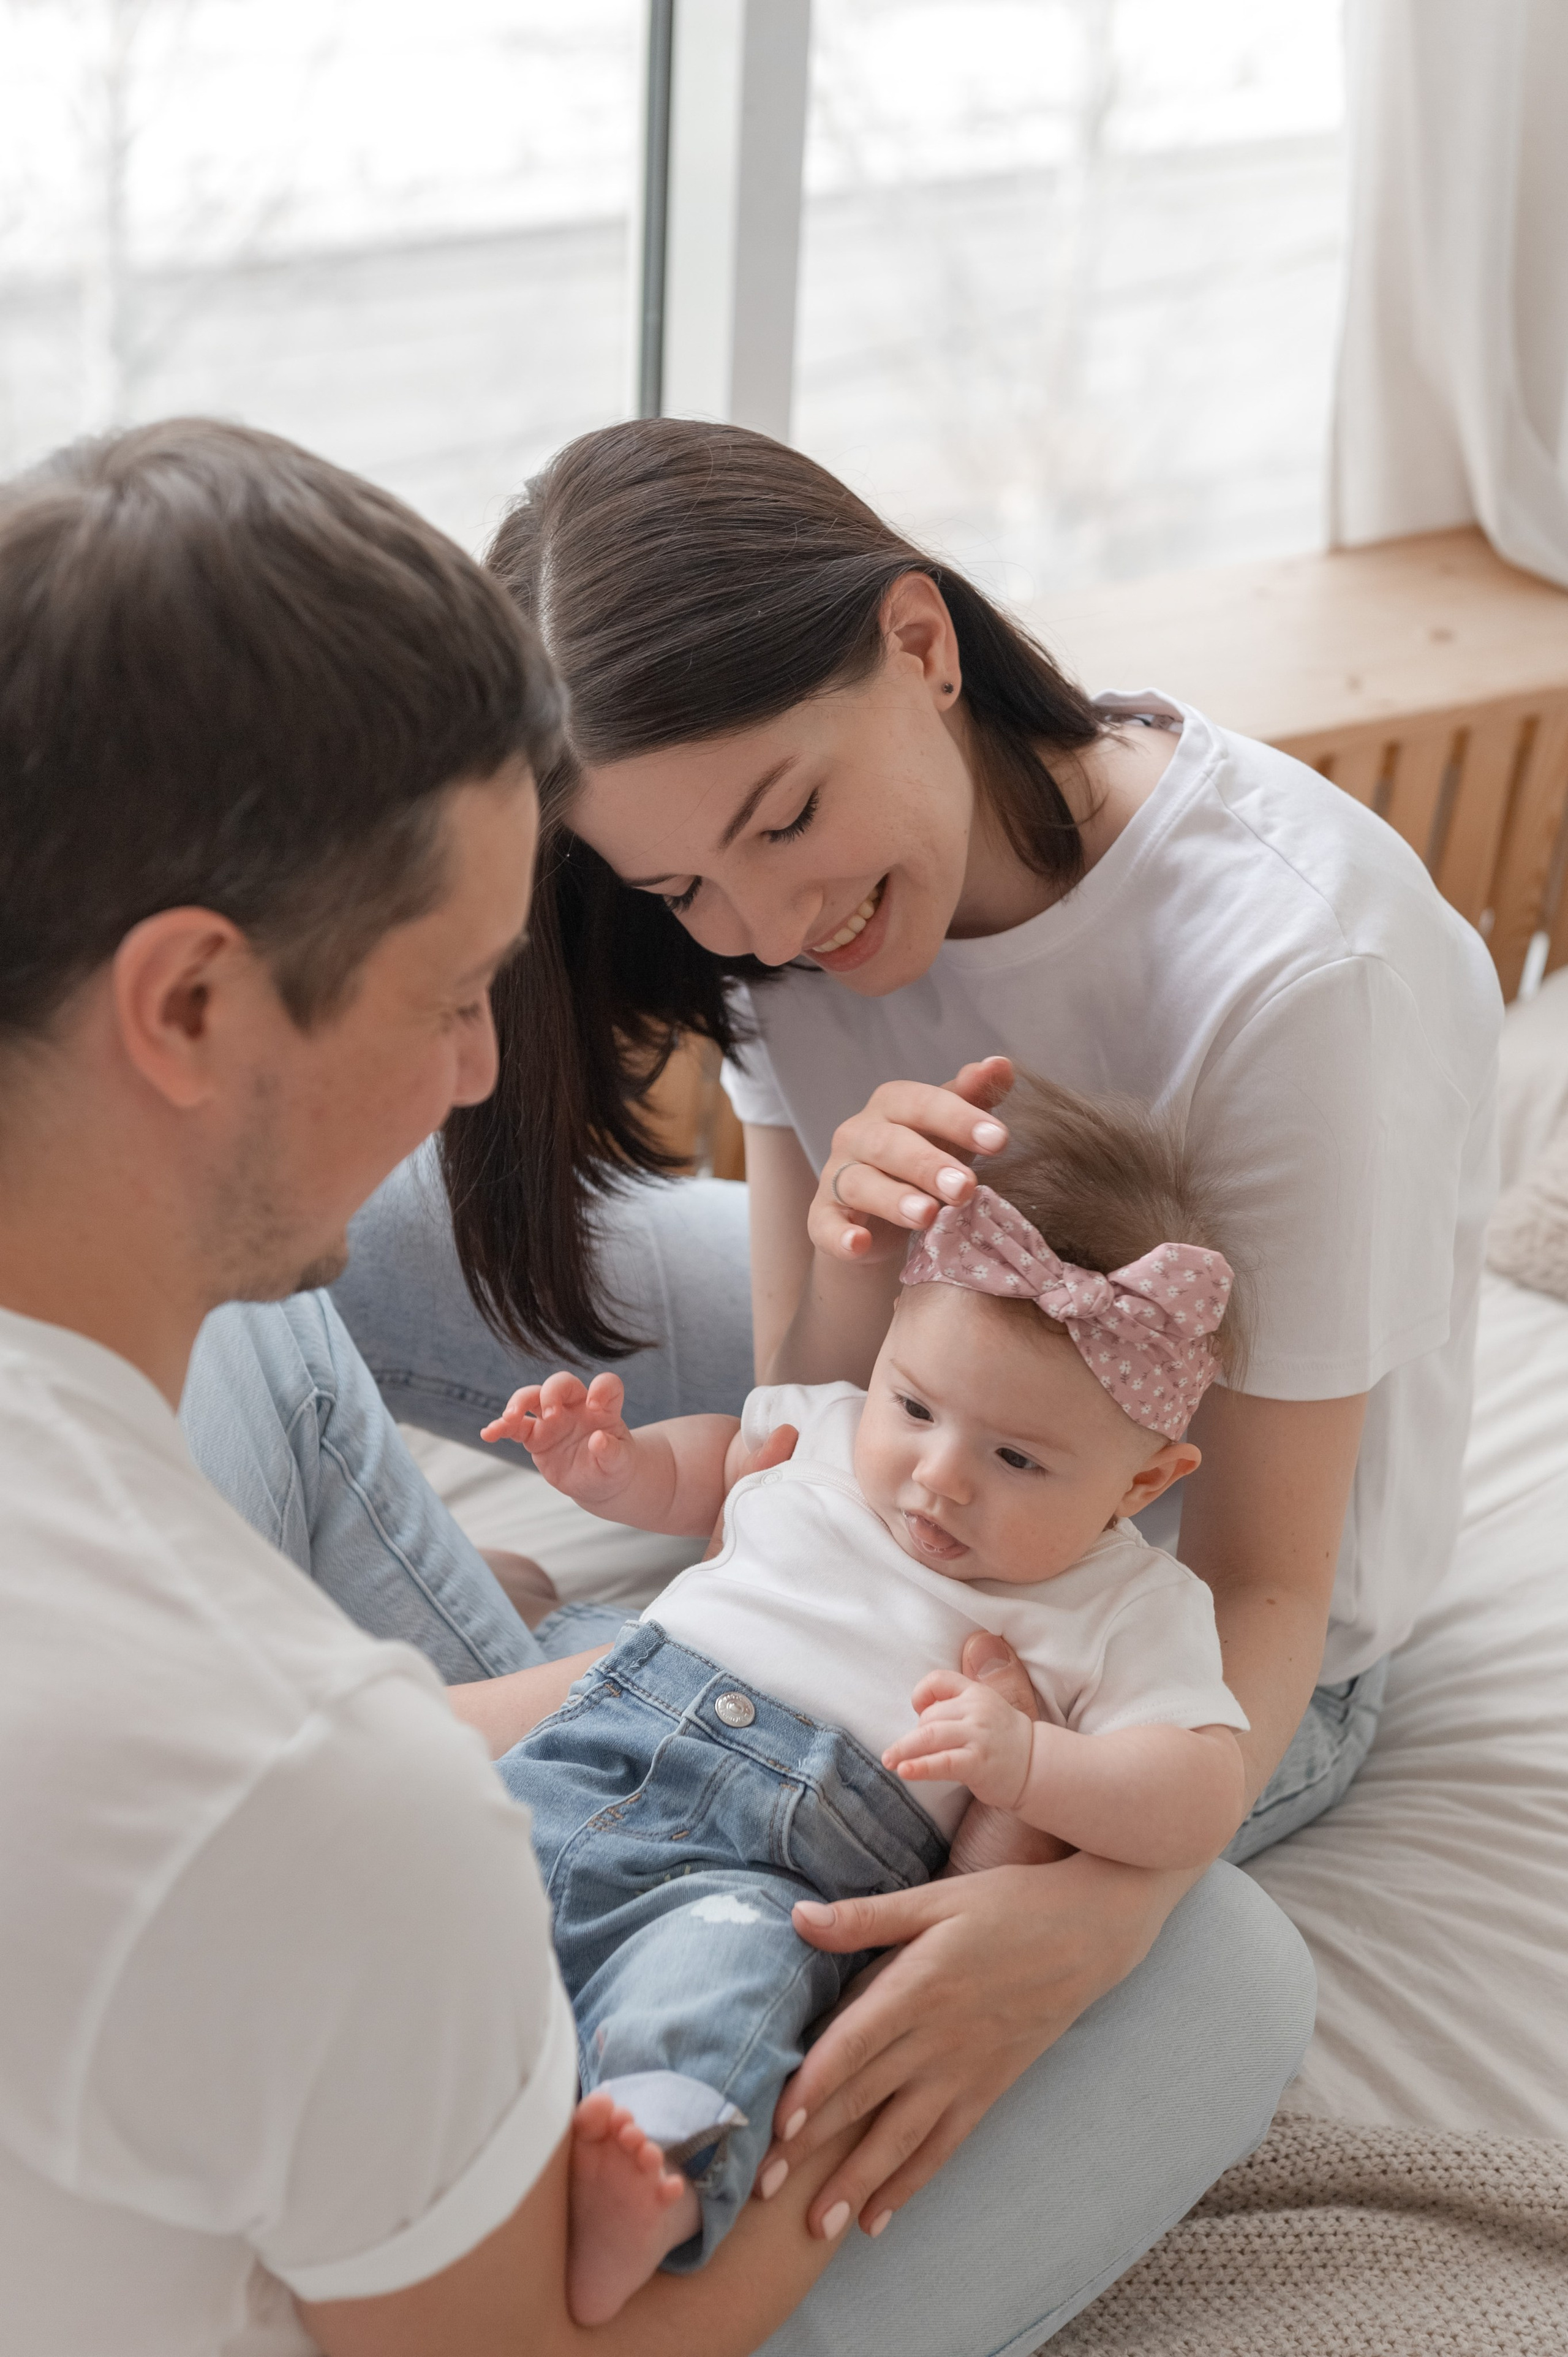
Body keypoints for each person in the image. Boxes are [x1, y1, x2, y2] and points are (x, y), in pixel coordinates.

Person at [325, 411, 1499, 2299]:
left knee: (741, 1787)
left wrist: (1093, 1922)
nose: (767, 926)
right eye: (680, 892)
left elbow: (1271, 1578)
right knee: (318, 1231)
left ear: (922, 645)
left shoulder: (1297, 976)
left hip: (1156, 1586)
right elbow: (815, 1423)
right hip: (907, 1410)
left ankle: (518, 1718)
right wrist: (835, 1240)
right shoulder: (770, 912)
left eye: (784, 822)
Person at [0, 419, 871, 2357]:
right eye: (451, 991)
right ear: (192, 1003)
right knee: (1216, 1984)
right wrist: (860, 2127)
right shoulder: (325, 1806)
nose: (482, 1074)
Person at [481, 1077, 1253, 2321]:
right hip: (596, 1740)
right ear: (888, 1342)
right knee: (434, 1860)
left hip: (778, 1868)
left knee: (713, 1993)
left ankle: (649, 2167)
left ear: (1143, 1477)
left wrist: (1029, 1768)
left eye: (1013, 1458)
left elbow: (1201, 1789)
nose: (936, 1478)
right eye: (912, 1404)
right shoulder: (836, 1432)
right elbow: (720, 1472)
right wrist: (617, 1471)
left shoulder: (1127, 1604)